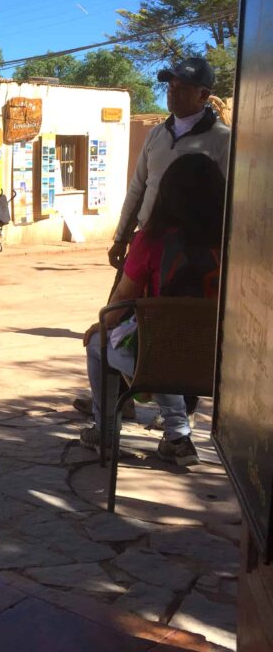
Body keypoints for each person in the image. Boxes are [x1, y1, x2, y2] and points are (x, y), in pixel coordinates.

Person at [79, 153, 226, 466]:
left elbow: (121, 300)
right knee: (171, 351)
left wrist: (100, 325)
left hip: (158, 361)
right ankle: (178, 438)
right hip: (220, 366)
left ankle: (106, 433)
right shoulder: (235, 243)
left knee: (99, 344)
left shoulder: (151, 240)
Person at [108, 57, 230, 270]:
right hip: (148, 241)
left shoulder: (222, 139)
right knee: (123, 302)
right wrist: (121, 239)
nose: (172, 92)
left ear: (203, 95)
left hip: (194, 253)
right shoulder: (156, 135)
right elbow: (138, 188)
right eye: (171, 86)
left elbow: (229, 200)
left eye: (182, 88)